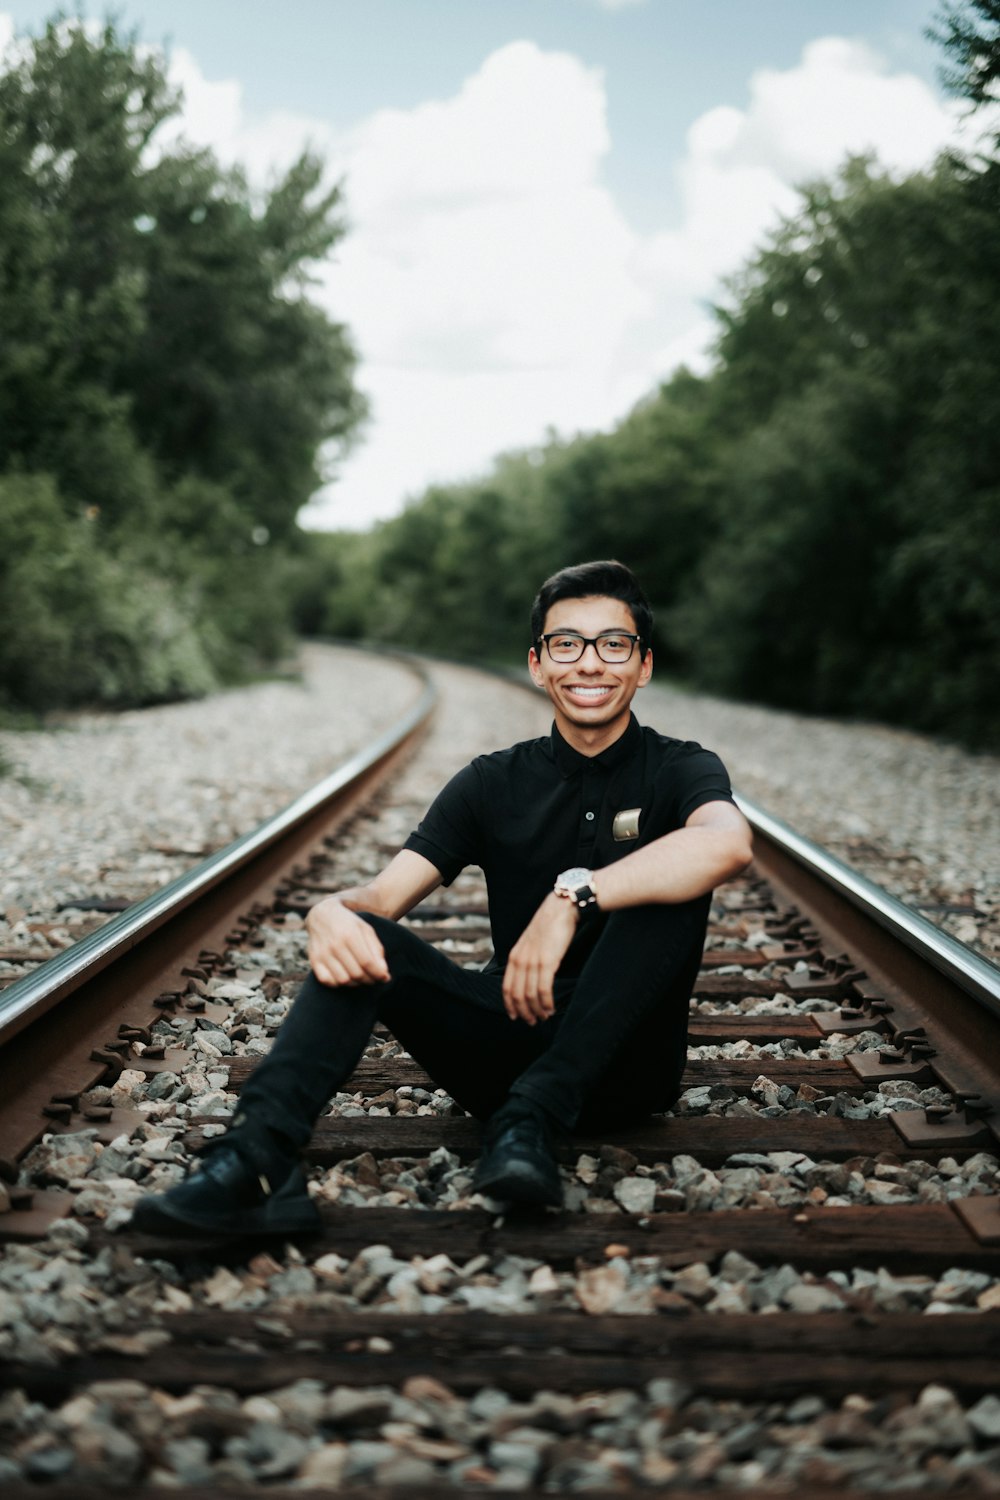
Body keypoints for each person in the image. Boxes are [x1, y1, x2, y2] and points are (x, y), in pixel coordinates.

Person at [131, 560, 752, 1236]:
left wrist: (576, 894)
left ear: (644, 666)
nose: (590, 664)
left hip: (626, 1067)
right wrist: (329, 912)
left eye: (614, 645)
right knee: (368, 940)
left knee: (673, 875)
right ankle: (257, 1159)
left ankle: (532, 1119)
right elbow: (382, 898)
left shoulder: (680, 767)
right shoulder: (490, 783)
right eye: (566, 644)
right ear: (539, 666)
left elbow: (727, 844)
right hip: (508, 1044)